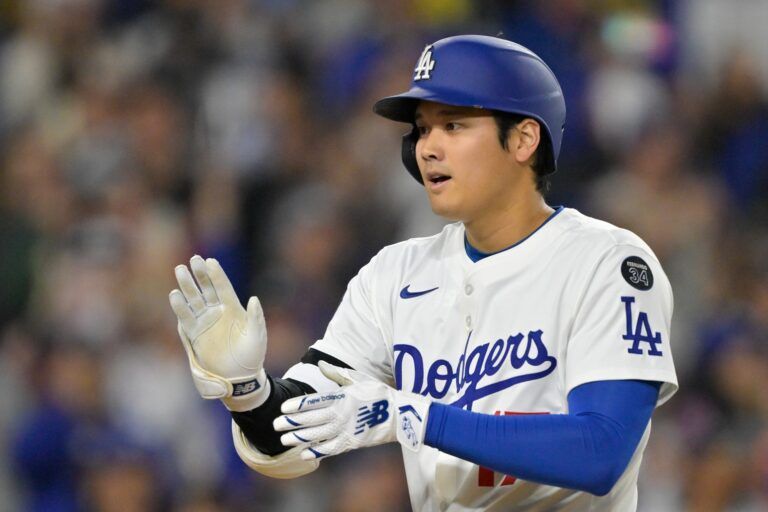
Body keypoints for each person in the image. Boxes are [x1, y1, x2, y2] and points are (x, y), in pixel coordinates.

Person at [169, 35, 678, 511]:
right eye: (422, 129)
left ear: (524, 139)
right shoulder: (394, 274)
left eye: (453, 125)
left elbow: (601, 450)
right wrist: (248, 391)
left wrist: (413, 416)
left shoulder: (607, 263)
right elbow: (298, 429)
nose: (426, 147)